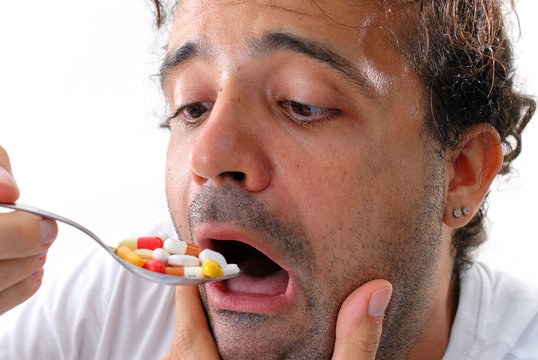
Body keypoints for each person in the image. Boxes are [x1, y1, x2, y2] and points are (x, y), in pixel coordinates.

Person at [0, 0, 537, 359]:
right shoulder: (107, 306)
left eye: (303, 104)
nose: (208, 155)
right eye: (192, 106)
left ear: (462, 171)